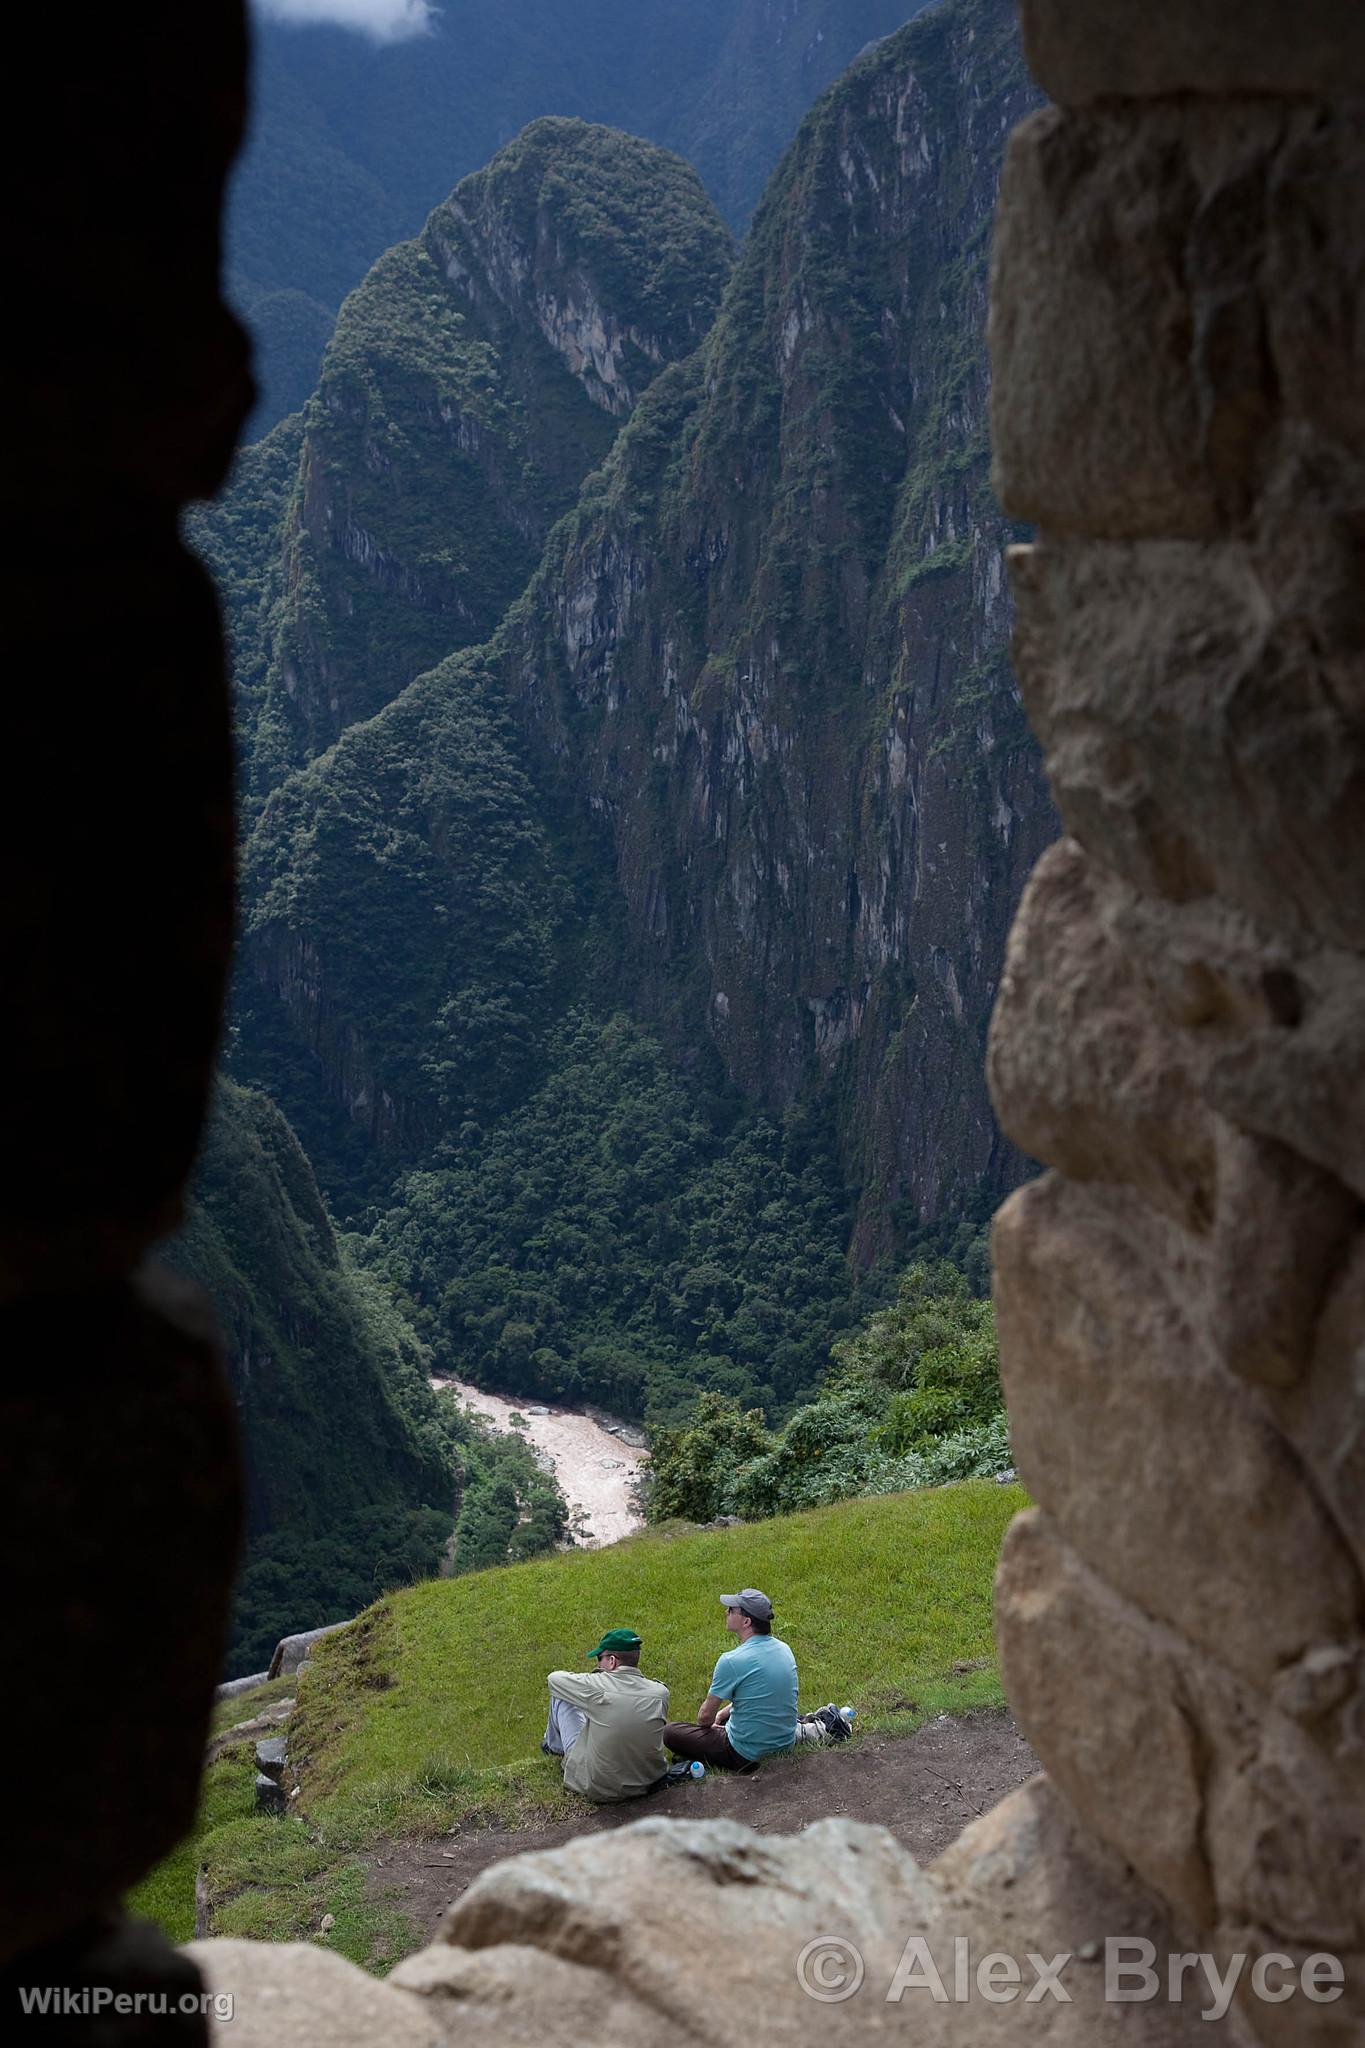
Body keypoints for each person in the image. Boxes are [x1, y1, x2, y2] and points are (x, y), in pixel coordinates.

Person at [663, 1588, 850, 1771]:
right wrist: (722, 1714)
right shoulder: (784, 1649)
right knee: (727, 1717)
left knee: (670, 1732)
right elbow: (760, 1695)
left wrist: (716, 1722)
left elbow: (704, 1719)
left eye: (731, 1610)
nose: (726, 1612)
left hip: (745, 1755)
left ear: (746, 1621)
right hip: (784, 1742)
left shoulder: (731, 1660)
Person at [542, 1627, 670, 1802]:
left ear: (611, 1661)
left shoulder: (597, 1687)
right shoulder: (660, 1693)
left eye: (599, 1659)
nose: (597, 1664)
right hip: (648, 1782)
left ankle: (553, 1748)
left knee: (562, 1698)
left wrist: (598, 1676)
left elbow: (554, 1679)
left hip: (600, 1787)